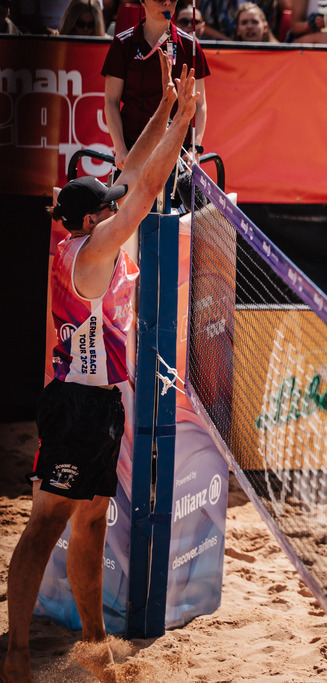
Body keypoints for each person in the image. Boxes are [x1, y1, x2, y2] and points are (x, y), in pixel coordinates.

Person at [2, 52, 199, 683]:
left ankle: (92, 647)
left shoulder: (84, 233)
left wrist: (167, 110)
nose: (114, 207)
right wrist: (188, 121)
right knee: (43, 527)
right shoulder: (91, 254)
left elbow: (132, 170)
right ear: (91, 221)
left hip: (98, 405)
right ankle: (16, 653)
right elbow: (141, 191)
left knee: (87, 520)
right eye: (105, 208)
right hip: (76, 405)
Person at [103, 0, 211, 170]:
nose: (167, 2)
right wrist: (120, 148)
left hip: (177, 154)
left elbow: (200, 103)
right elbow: (111, 101)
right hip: (133, 151)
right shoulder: (123, 43)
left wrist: (194, 149)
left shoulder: (190, 46)